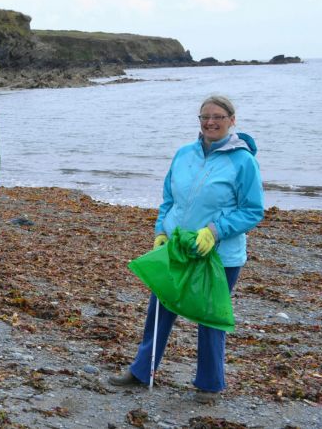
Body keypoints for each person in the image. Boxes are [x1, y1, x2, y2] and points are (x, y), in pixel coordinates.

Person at [109, 95, 264, 404]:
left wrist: (214, 231)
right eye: (205, 116)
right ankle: (142, 371)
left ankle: (209, 384)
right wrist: (162, 232)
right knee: (160, 308)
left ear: (232, 120)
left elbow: (253, 210)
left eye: (218, 116)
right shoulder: (183, 154)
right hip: (178, 248)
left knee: (209, 317)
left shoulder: (243, 161)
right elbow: (169, 199)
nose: (210, 122)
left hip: (219, 256)